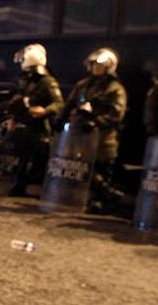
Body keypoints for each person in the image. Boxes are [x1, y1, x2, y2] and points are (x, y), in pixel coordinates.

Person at [59, 48, 127, 212]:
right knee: (81, 167)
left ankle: (105, 198)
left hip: (103, 137)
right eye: (93, 64)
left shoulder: (114, 88)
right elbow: (69, 104)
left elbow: (116, 113)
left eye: (99, 65)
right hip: (81, 134)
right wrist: (60, 119)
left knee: (101, 169)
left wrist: (97, 121)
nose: (95, 68)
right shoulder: (83, 85)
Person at [4, 43, 64, 197]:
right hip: (25, 124)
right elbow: (20, 102)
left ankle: (43, 190)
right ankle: (19, 185)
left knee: (39, 160)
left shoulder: (47, 82)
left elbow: (58, 104)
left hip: (40, 127)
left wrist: (45, 110)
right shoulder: (27, 80)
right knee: (21, 157)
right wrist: (13, 118)